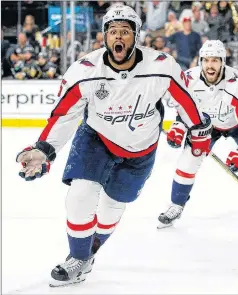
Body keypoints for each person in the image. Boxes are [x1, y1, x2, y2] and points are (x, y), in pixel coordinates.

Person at [15, 5, 212, 287]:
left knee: (110, 211)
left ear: (136, 36)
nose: (118, 37)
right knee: (80, 196)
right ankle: (77, 258)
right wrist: (44, 148)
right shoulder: (84, 70)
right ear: (105, 36)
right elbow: (63, 115)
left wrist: (198, 127)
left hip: (140, 149)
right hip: (96, 138)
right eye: (113, 32)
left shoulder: (161, 66)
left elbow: (184, 99)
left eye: (125, 32)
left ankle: (90, 251)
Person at [158, 40, 238, 229]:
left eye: (215, 60)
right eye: (206, 60)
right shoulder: (188, 79)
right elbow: (184, 106)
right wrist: (179, 125)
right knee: (188, 160)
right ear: (200, 61)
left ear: (223, 62)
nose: (210, 65)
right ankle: (176, 205)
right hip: (206, 126)